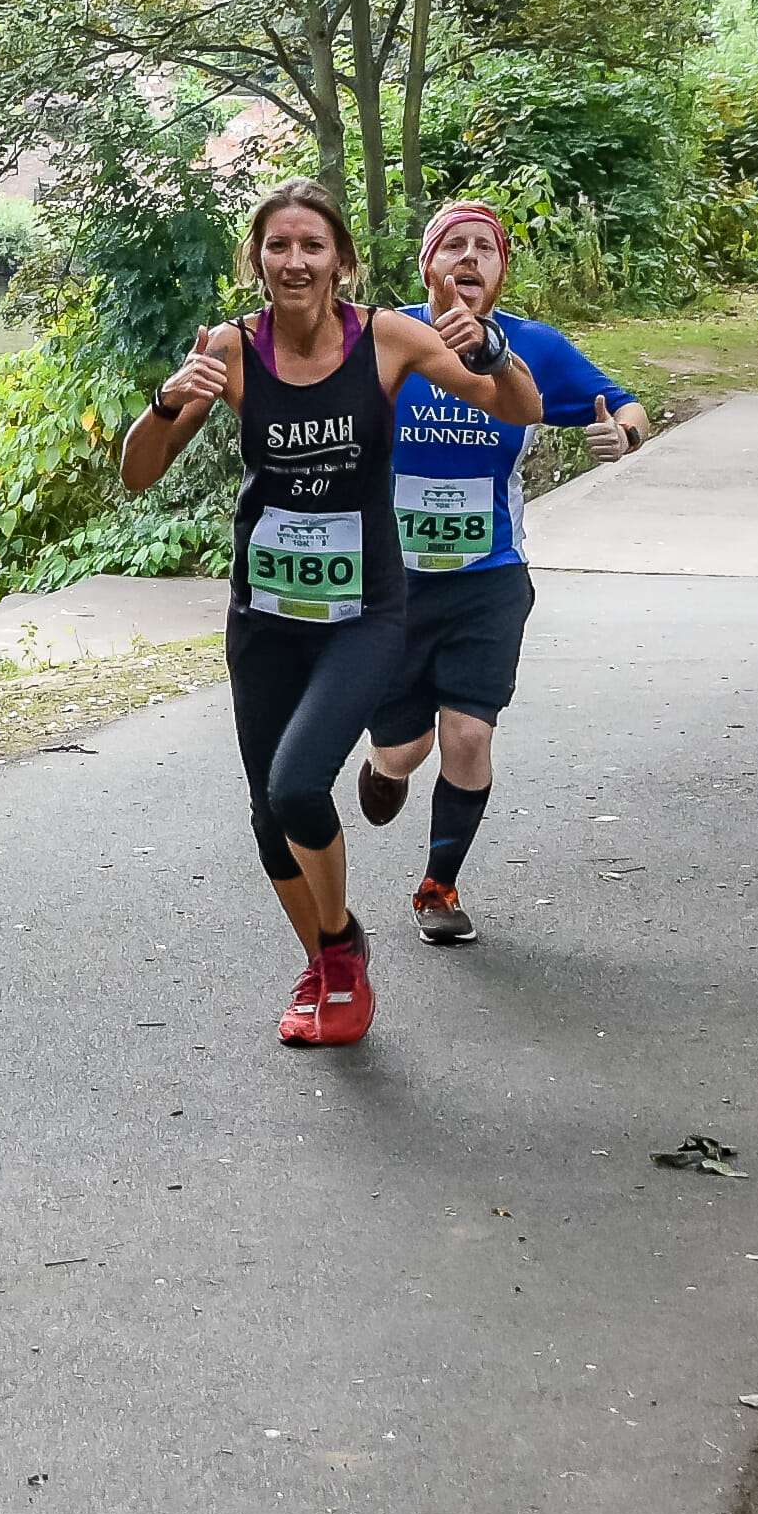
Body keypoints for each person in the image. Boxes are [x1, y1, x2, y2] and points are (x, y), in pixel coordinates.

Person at [118, 181, 540, 1044]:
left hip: (361, 611)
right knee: (268, 813)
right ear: (258, 260)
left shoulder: (388, 337)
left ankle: (340, 946)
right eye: (279, 246)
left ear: (340, 260)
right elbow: (137, 473)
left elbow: (519, 406)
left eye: (313, 245)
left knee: (297, 783)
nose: (296, 261)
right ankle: (327, 966)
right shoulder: (232, 352)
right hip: (264, 613)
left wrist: (491, 348)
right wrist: (169, 397)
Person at [349, 199, 642, 943]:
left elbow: (626, 405)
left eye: (487, 248)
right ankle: (385, 766)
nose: (471, 258)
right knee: (405, 748)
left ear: (501, 272)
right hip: (396, 579)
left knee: (469, 737)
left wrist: (623, 434)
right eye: (456, 246)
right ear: (430, 266)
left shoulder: (532, 347)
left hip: (491, 574)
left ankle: (438, 887)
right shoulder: (388, 336)